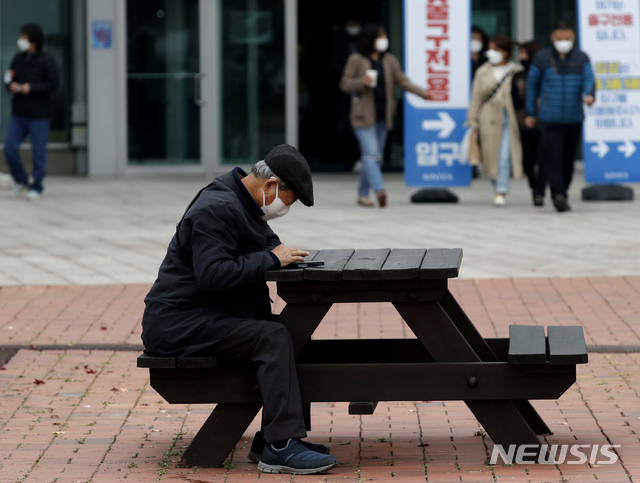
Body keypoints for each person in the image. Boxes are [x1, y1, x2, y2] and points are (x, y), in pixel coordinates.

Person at [141, 144, 337, 475]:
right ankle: (281, 446)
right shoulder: (216, 207)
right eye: (286, 202)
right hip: (180, 323)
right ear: (271, 185)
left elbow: (268, 244)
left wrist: (274, 253)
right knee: (273, 337)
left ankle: (272, 439)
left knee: (294, 333)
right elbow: (213, 275)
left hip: (206, 315)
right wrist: (272, 259)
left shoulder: (243, 203)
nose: (282, 210)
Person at [340, 23, 432, 207]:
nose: (383, 40)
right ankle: (380, 190)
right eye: (379, 36)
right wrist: (362, 82)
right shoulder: (356, 59)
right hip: (363, 117)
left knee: (372, 157)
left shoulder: (389, 60)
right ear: (370, 38)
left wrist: (422, 92)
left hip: (383, 116)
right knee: (372, 155)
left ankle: (362, 194)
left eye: (383, 36)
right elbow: (345, 83)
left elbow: (402, 81)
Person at [525, 19, 596, 212]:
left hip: (574, 118)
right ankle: (558, 194)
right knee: (554, 156)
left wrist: (590, 95)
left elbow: (589, 80)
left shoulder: (581, 58)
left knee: (568, 159)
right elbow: (532, 88)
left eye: (567, 38)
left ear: (573, 37)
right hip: (549, 117)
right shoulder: (541, 58)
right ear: (552, 37)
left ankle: (563, 190)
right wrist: (530, 113)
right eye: (559, 38)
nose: (563, 41)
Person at [467, 35, 523, 206]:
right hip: (487, 118)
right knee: (489, 157)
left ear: (505, 53)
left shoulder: (516, 70)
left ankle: (501, 190)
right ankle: (497, 186)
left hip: (508, 119)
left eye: (495, 50)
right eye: (490, 49)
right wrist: (472, 121)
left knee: (504, 157)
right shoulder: (482, 71)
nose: (490, 53)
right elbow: (476, 97)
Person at [4, 23, 59, 200]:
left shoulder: (47, 60)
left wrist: (31, 88)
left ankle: (37, 185)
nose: (21, 41)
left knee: (39, 152)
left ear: (33, 41)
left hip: (39, 116)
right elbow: (8, 78)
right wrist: (10, 86)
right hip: (19, 113)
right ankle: (21, 180)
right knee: (10, 148)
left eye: (24, 38)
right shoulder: (17, 59)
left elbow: (53, 84)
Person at [512, 40, 544, 206]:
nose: (521, 57)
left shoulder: (546, 74)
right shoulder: (517, 76)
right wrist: (528, 99)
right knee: (527, 160)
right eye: (520, 54)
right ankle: (534, 186)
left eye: (525, 53)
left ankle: (540, 191)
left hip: (545, 123)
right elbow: (513, 98)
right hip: (523, 122)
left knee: (543, 159)